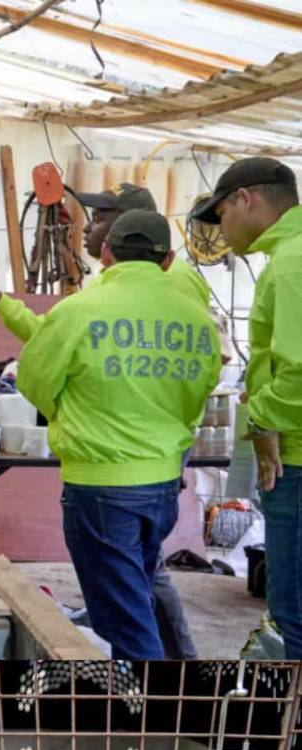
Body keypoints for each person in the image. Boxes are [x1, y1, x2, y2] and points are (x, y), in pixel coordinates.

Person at [0, 182, 209, 660]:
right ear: (163, 259)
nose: (87, 227)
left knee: (128, 623)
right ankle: (170, 693)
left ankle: (150, 721)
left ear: (113, 251)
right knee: (135, 596)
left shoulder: (87, 305)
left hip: (101, 481)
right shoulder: (195, 316)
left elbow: (35, 378)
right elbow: (195, 387)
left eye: (100, 219)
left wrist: (74, 413)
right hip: (157, 479)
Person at [192, 157, 302, 658]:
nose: (222, 229)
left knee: (292, 619)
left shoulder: (291, 263)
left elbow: (298, 370)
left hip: (295, 461)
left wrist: (261, 420)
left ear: (246, 199)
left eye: (222, 215)